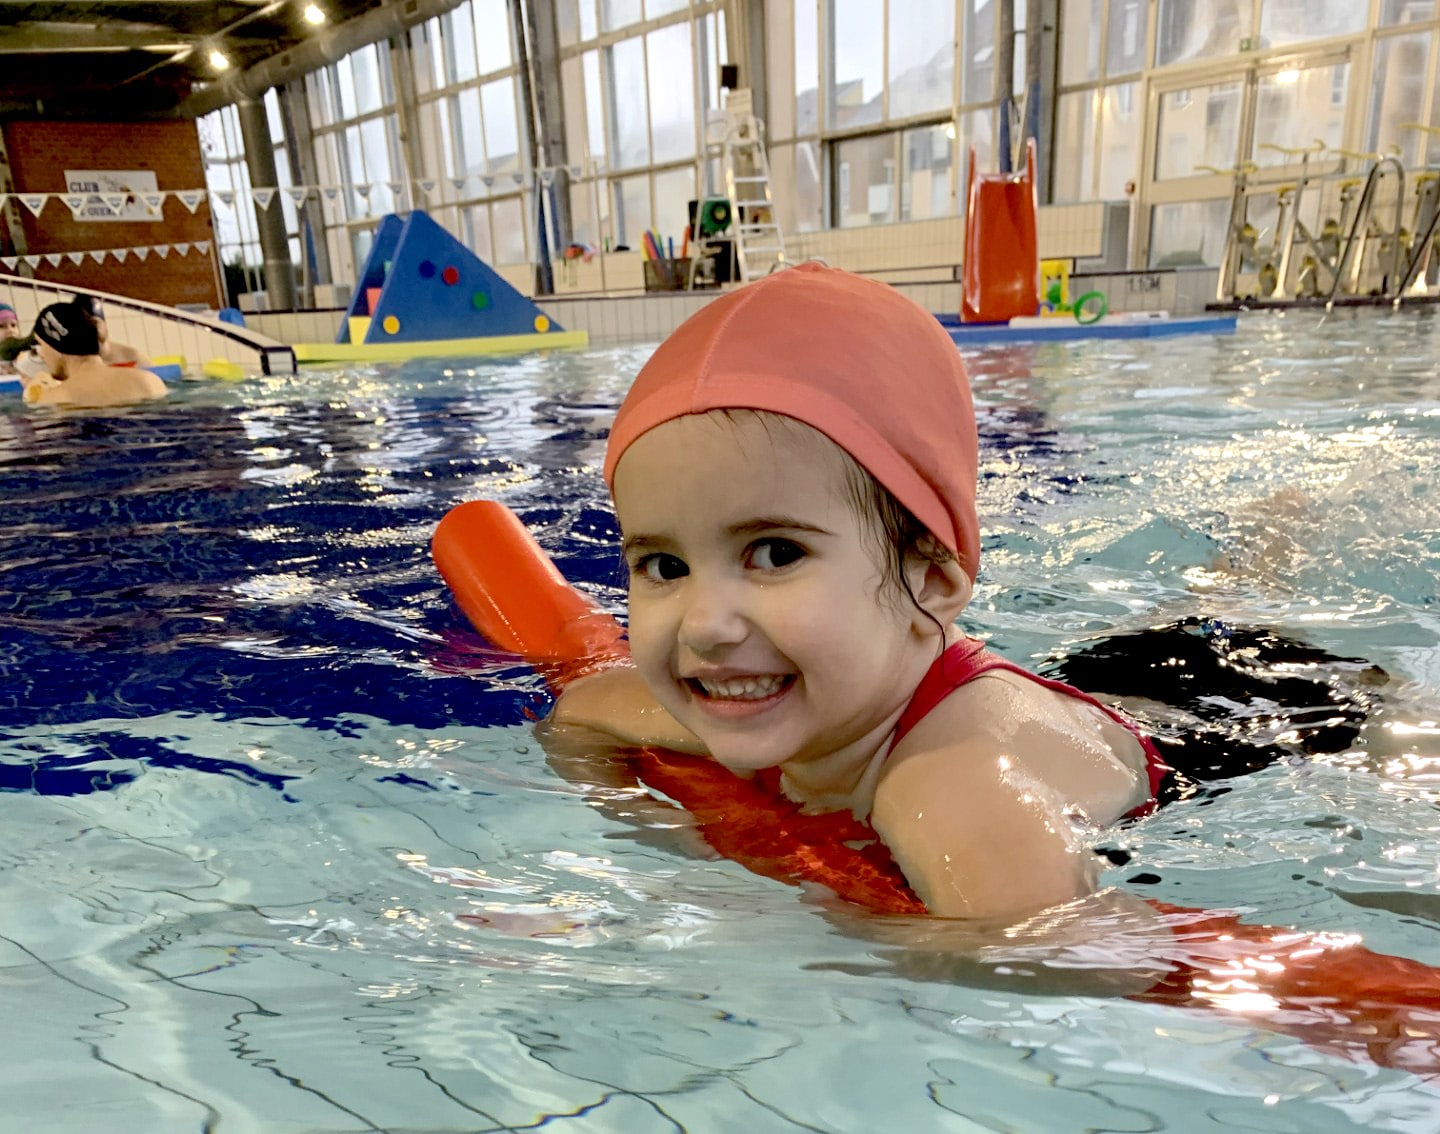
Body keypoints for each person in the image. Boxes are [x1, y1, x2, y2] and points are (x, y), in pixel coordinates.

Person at [538, 263, 1164, 922]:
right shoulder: (747, 684)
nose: (704, 626)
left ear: (931, 580)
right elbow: (580, 714)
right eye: (664, 566)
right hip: (1078, 692)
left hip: (1217, 733)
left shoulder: (954, 791)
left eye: (776, 554)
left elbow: (1054, 956)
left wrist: (863, 934)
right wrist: (644, 822)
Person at [20, 301, 166, 408]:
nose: (42, 355)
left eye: (41, 345)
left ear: (56, 347)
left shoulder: (57, 397)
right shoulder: (149, 381)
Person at [70, 294, 151, 368]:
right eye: (83, 325)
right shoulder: (72, 362)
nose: (91, 328)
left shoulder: (134, 358)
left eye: (95, 323)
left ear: (104, 323)